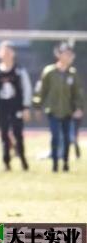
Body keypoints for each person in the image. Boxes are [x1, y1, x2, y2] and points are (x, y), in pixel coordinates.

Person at [33, 42, 84, 172]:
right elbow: (41, 90)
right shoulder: (49, 72)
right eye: (66, 54)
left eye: (71, 54)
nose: (69, 57)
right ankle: (55, 164)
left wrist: (79, 108)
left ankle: (65, 164)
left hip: (67, 111)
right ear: (59, 55)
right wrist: (37, 106)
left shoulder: (72, 73)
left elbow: (77, 93)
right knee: (55, 137)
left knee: (67, 138)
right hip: (53, 110)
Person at [0, 41, 32, 171]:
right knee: (4, 135)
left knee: (18, 134)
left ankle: (23, 161)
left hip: (17, 107)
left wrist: (26, 107)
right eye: (3, 51)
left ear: (13, 53)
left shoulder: (19, 70)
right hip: (2, 108)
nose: (6, 54)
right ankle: (6, 163)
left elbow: (27, 89)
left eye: (8, 51)